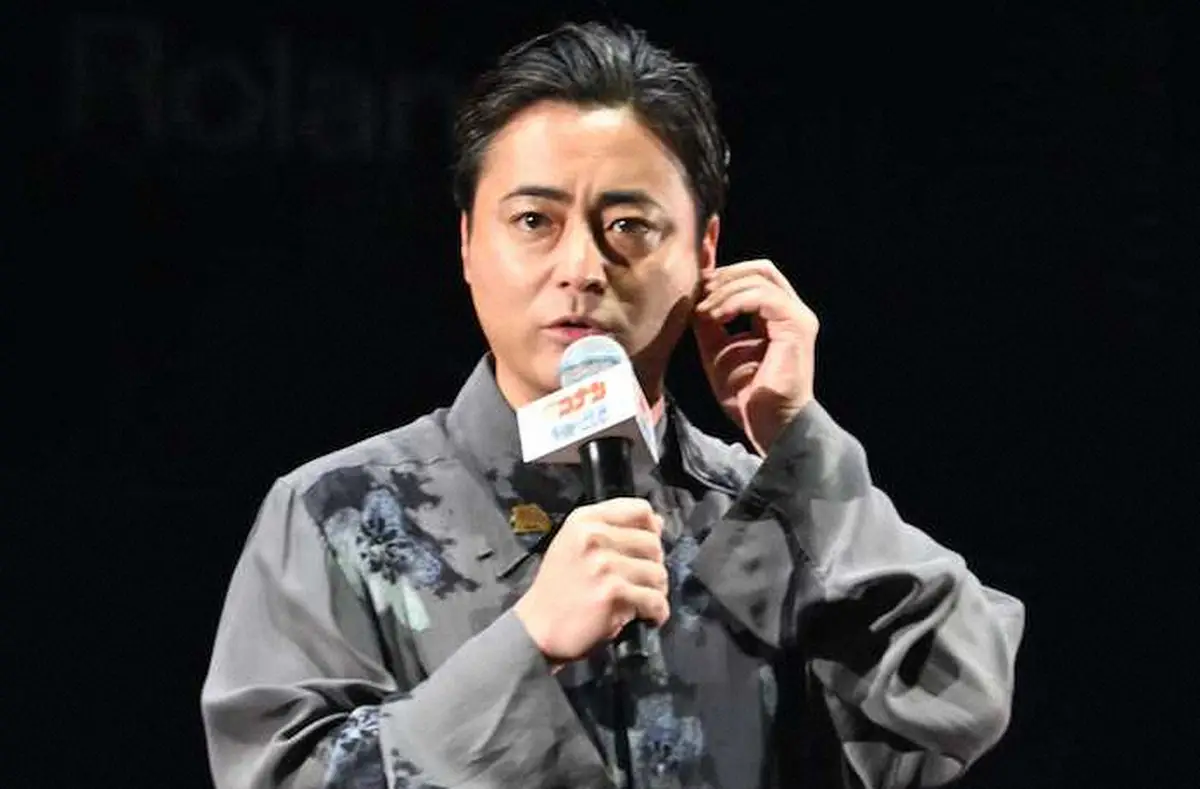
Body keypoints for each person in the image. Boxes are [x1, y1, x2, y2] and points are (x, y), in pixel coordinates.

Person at [201, 20, 1025, 789]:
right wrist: (526, 645)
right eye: (534, 220)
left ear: (705, 250)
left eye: (629, 225)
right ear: (467, 245)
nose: (582, 268)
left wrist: (799, 444)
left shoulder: (778, 513)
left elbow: (963, 699)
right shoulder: (338, 512)